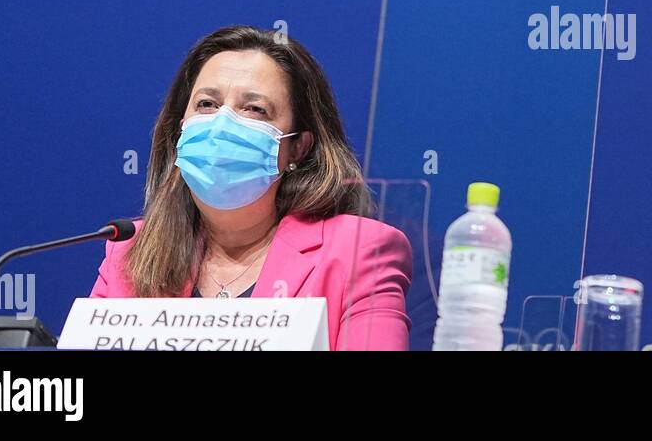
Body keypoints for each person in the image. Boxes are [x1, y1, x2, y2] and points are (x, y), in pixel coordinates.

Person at [90, 25, 412, 350]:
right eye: (206, 104)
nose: (222, 123)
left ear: (297, 147)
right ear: (179, 128)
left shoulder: (358, 252)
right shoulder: (129, 252)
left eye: (254, 109)